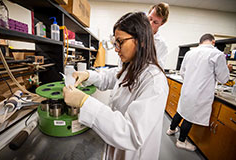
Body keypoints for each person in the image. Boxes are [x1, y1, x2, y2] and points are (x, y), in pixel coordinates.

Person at [63, 12, 169, 160]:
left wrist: (84, 102)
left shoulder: (154, 81)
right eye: (115, 42)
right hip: (115, 148)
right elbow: (110, 77)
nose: (116, 48)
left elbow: (132, 134)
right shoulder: (132, 67)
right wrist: (87, 74)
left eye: (120, 42)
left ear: (141, 40)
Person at [166, 34, 230, 151]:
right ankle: (181, 141)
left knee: (181, 111)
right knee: (189, 117)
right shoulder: (217, 54)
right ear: (213, 42)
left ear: (200, 42)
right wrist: (227, 69)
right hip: (200, 92)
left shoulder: (189, 53)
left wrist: (192, 80)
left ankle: (171, 129)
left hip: (187, 89)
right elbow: (223, 79)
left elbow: (183, 72)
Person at [147, 2, 169, 69]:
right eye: (150, 18)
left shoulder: (161, 44)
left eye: (155, 22)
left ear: (161, 24)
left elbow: (158, 69)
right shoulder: (135, 34)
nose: (150, 23)